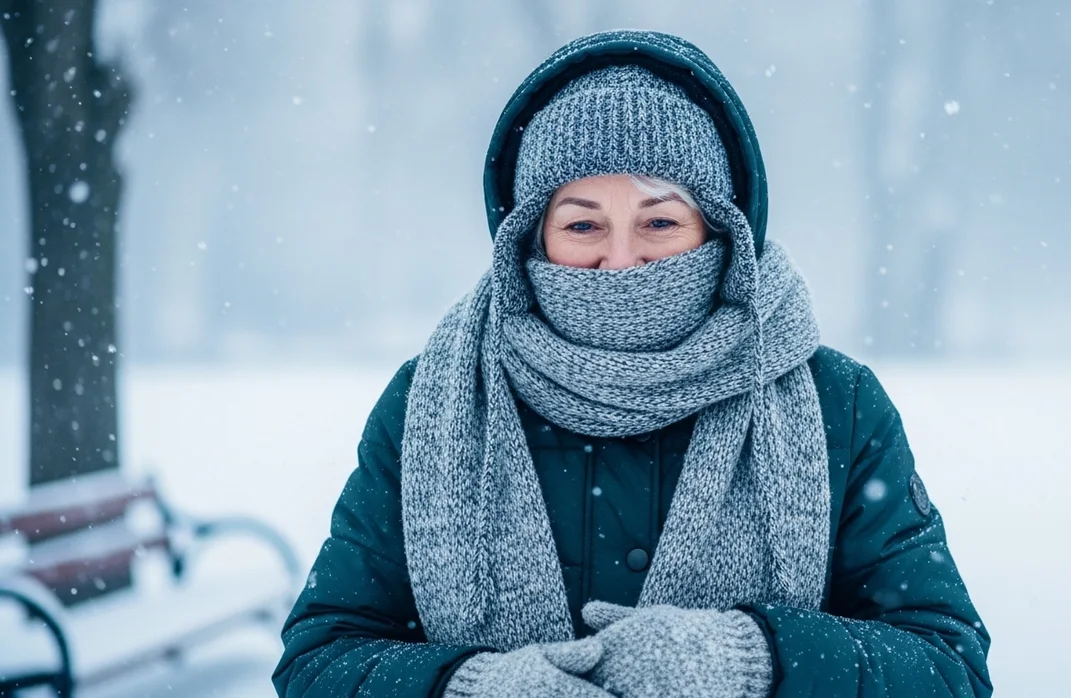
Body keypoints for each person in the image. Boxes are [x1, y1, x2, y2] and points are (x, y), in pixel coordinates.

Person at [273, 30, 992, 698]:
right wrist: (468, 687)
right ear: (528, 238)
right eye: (583, 224)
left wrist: (756, 659)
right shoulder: (429, 403)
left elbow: (947, 664)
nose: (621, 262)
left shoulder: (839, 402)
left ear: (722, 231)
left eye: (659, 222)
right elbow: (320, 659)